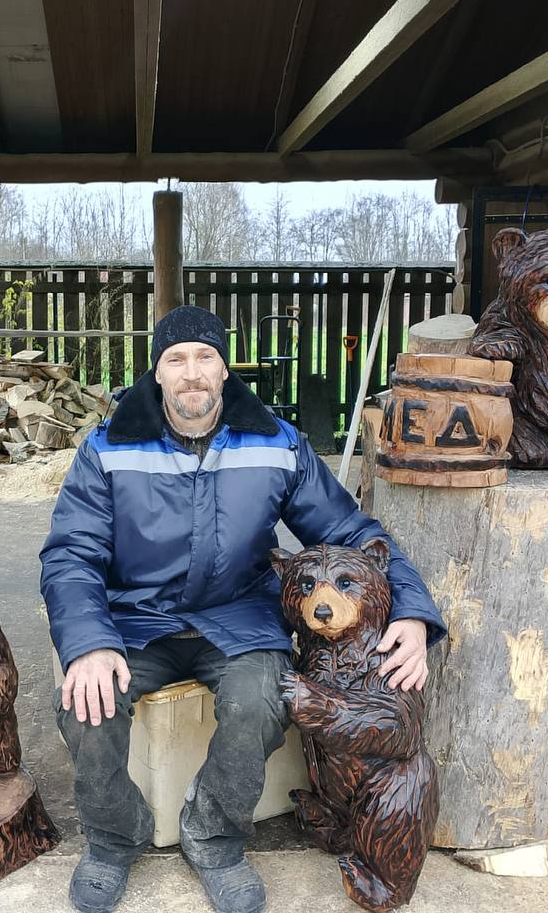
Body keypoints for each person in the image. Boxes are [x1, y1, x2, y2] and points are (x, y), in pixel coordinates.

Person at [40, 306, 445, 913]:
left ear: (225, 369)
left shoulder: (277, 445)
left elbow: (353, 533)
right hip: (135, 618)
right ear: (156, 373)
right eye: (176, 359)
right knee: (85, 707)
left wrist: (410, 610)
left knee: (264, 699)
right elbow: (71, 554)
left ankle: (214, 837)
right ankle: (113, 837)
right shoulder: (108, 447)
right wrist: (89, 643)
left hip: (238, 616)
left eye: (205, 357)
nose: (192, 372)